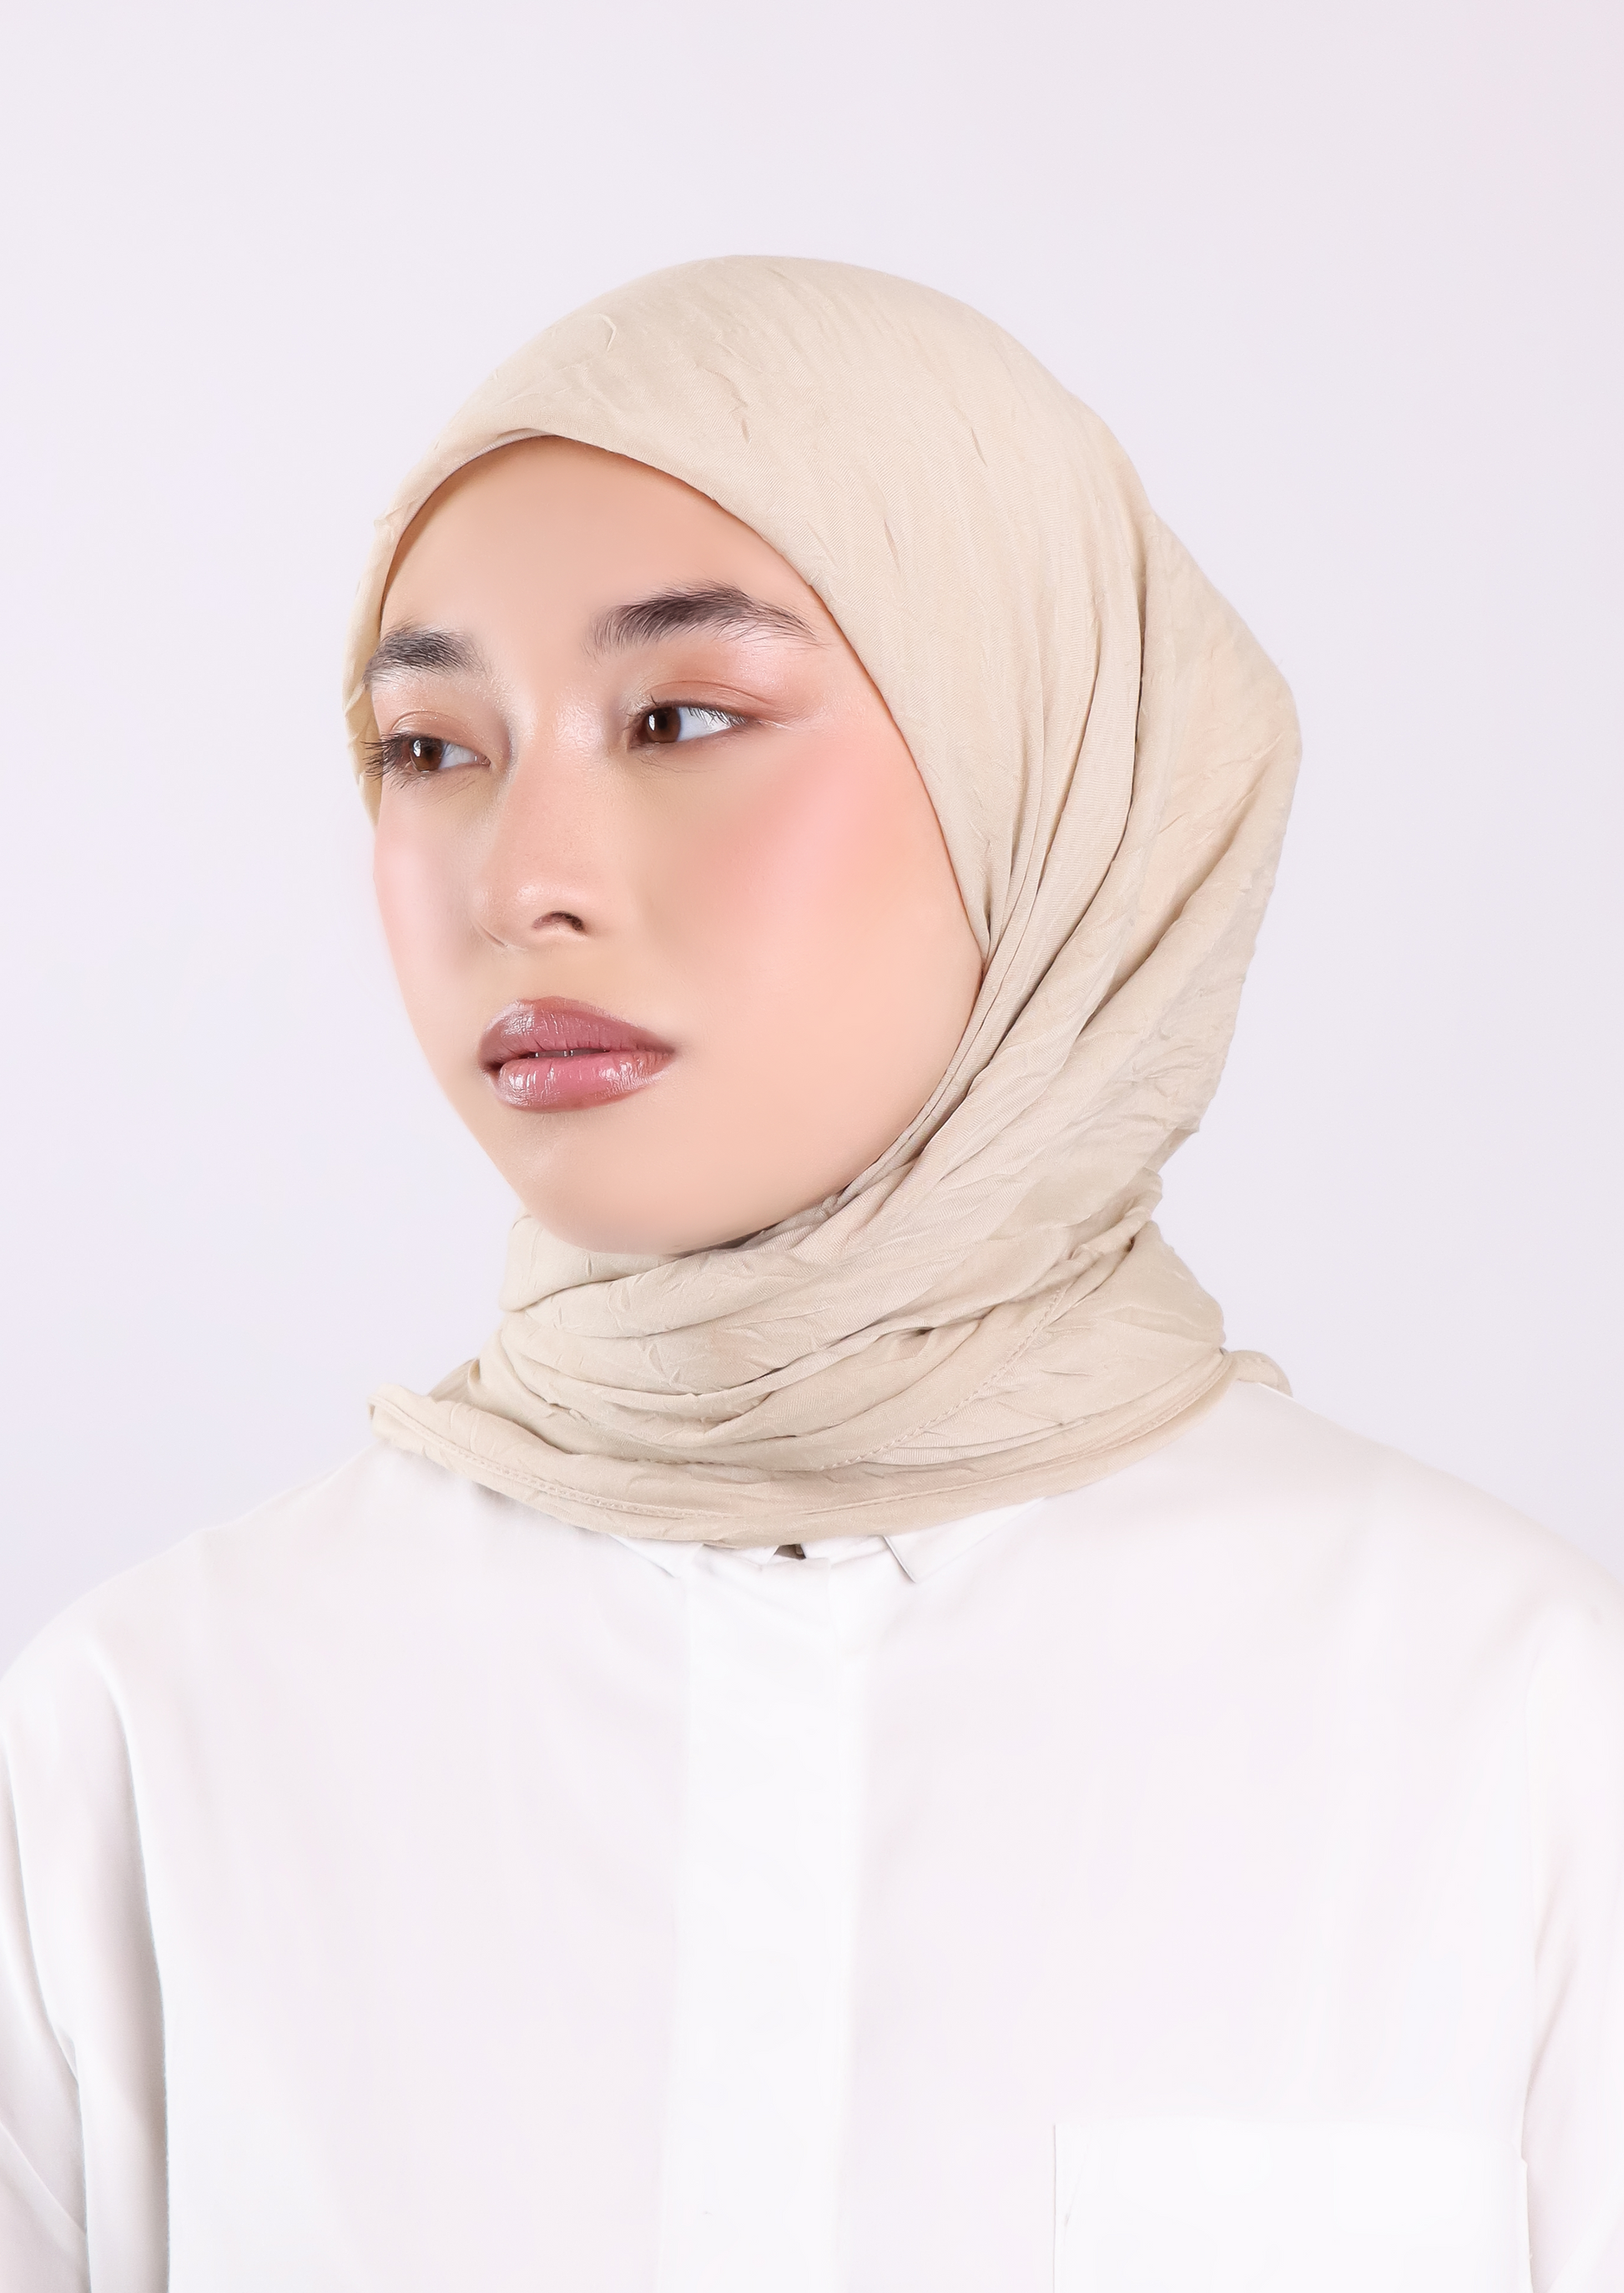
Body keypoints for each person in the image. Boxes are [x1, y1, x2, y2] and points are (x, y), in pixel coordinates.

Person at [1, 256, 1619, 2292]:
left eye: (681, 716)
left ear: (1041, 762)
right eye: (427, 745)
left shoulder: (1514, 1723)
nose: (521, 878)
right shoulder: (150, 1740)